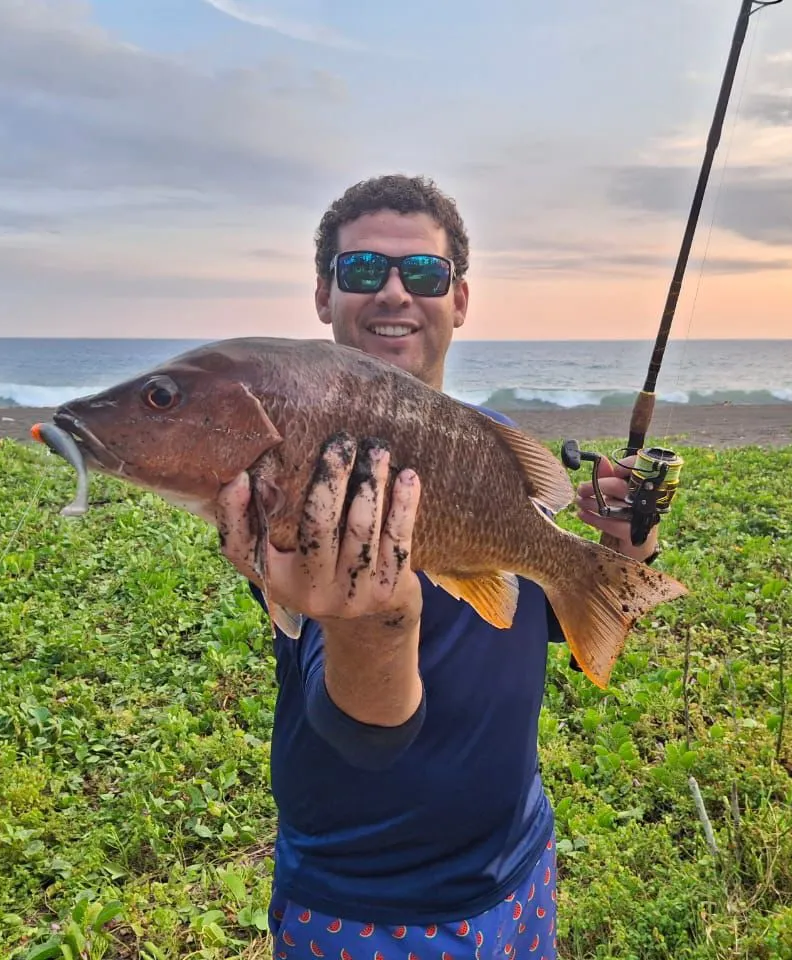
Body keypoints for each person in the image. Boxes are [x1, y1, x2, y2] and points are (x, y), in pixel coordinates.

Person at [214, 174, 661, 959]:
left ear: (459, 298)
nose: (394, 292)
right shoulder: (300, 472)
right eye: (363, 271)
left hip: (518, 858)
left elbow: (536, 611)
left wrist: (619, 547)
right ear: (324, 295)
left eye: (423, 273)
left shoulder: (489, 436)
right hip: (373, 906)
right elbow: (359, 734)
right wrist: (379, 624)